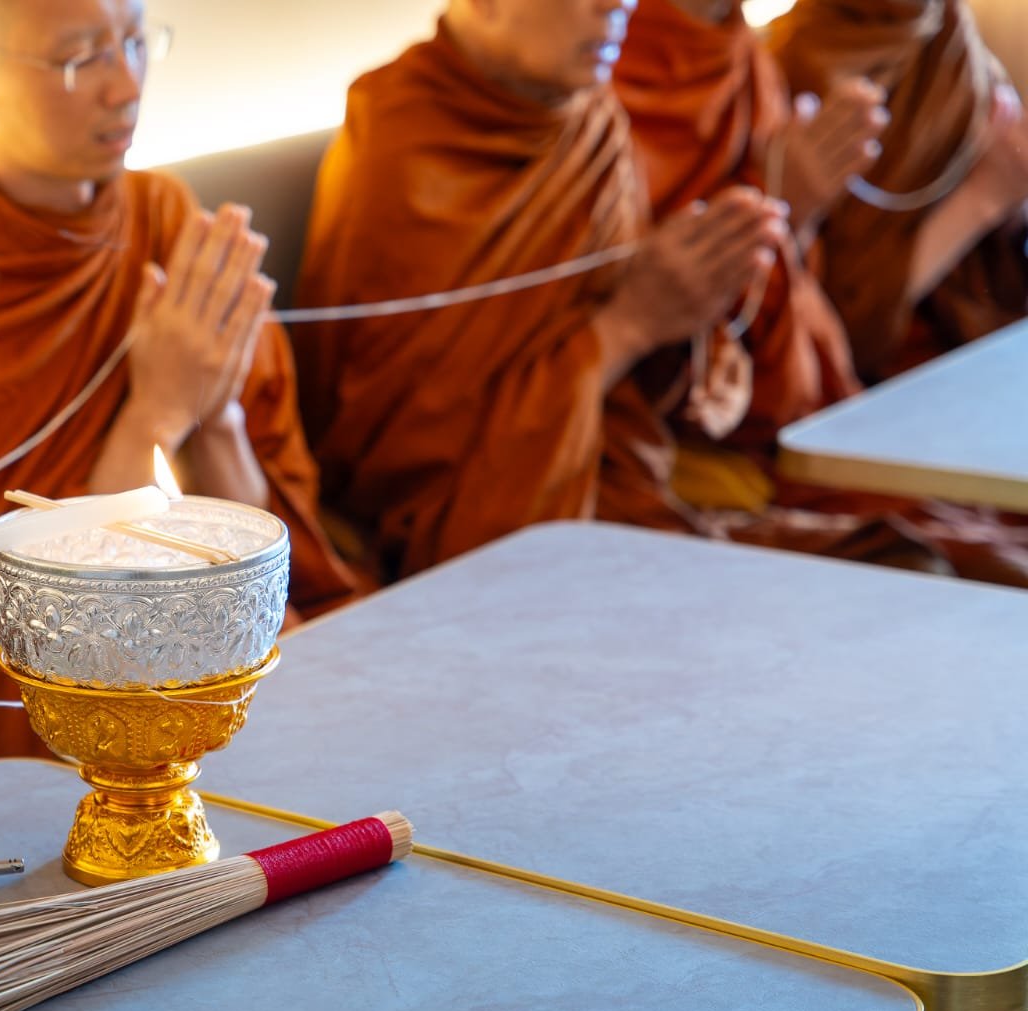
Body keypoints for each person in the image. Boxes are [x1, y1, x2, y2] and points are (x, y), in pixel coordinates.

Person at [294, 0, 1018, 583]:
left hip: (631, 491)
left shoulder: (591, 120)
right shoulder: (404, 145)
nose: (618, 7)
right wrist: (629, 326)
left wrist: (707, 294)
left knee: (934, 557)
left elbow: (657, 396)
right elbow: (394, 474)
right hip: (503, 532)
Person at [0, 0, 359, 770]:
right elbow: (7, 642)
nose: (125, 86)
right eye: (80, 59)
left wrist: (217, 417)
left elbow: (269, 551)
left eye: (137, 43)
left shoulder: (168, 219)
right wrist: (157, 411)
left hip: (233, 641)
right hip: (61, 698)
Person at [609, 0, 1028, 588]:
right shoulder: (774, 63)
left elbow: (798, 296)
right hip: (825, 414)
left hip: (918, 386)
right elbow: (848, 331)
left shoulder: (942, 41)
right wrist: (983, 199)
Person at [769, 0, 1028, 383]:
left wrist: (1013, 203)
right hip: (878, 389)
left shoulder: (957, 43)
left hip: (983, 362)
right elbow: (836, 334)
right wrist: (982, 201)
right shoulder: (786, 67)